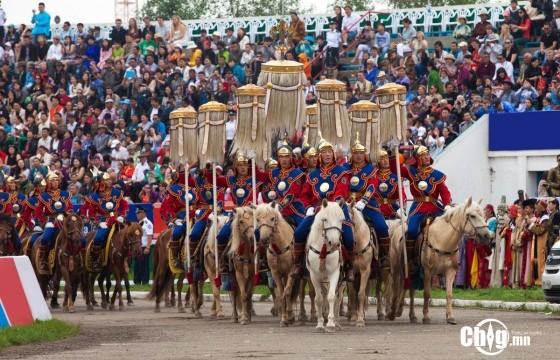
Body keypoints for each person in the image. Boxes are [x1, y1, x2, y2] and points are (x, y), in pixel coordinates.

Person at [293, 136, 354, 280]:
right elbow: (304, 194)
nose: (327, 154)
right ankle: (298, 265)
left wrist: (329, 208)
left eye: (329, 152)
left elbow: (340, 193)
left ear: (333, 154)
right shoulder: (312, 174)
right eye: (324, 152)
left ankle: (350, 266)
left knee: (349, 236)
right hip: (317, 209)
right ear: (319, 155)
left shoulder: (342, 172)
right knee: (299, 232)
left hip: (337, 209)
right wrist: (308, 207)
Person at [392, 145, 452, 274]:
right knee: (412, 230)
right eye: (422, 155)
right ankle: (410, 259)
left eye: (427, 154)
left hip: (435, 206)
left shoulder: (437, 175)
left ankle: (449, 257)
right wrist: (404, 154)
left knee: (449, 226)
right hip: (418, 207)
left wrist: (447, 204)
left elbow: (445, 192)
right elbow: (394, 167)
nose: (426, 157)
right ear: (417, 158)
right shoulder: (411, 172)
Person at [345, 136, 390, 267]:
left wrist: (363, 201)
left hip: (367, 204)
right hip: (348, 203)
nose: (358, 156)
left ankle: (384, 256)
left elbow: (372, 186)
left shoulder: (371, 169)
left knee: (382, 227)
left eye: (361, 153)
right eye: (356, 153)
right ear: (351, 155)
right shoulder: (345, 168)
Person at [79, 172, 129, 271]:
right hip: (103, 221)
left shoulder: (117, 192)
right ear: (101, 182)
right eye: (107, 180)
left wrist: (122, 216)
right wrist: (98, 222)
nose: (110, 181)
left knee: (130, 235)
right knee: (98, 238)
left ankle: (127, 259)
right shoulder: (94, 196)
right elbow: (92, 213)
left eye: (110, 179)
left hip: (117, 219)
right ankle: (96, 260)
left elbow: (125, 205)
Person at [159, 164, 198, 268]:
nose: (185, 172)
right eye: (182, 171)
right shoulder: (173, 189)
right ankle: (175, 257)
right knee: (177, 233)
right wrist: (174, 219)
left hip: (197, 214)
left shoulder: (196, 186)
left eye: (187, 170)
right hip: (181, 215)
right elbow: (168, 206)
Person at [32, 173, 73, 271]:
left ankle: (78, 259)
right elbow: (37, 213)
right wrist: (46, 221)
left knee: (77, 236)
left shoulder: (65, 194)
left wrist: (67, 215)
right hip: (51, 221)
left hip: (64, 220)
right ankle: (43, 259)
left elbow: (70, 208)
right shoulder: (44, 196)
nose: (55, 182)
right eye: (53, 181)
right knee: (45, 239)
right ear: (49, 183)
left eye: (57, 180)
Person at [265, 141, 306, 227]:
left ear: (291, 158)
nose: (284, 159)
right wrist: (252, 164)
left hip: (294, 210)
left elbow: (292, 193)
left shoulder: (297, 173)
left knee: (303, 230)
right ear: (278, 159)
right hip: (275, 209)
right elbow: (259, 176)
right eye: (281, 157)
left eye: (286, 156)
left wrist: (281, 205)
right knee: (258, 232)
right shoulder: (274, 172)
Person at [373, 150, 402, 219]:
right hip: (376, 207)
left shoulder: (396, 174)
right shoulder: (373, 175)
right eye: (382, 159)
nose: (385, 161)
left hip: (393, 208)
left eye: (387, 158)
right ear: (378, 162)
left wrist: (402, 207)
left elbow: (401, 193)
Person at [135, 206, 153, 285]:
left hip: (144, 247)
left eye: (138, 213)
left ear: (143, 213)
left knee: (144, 265)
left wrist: (147, 248)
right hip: (138, 247)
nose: (137, 214)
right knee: (137, 265)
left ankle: (145, 281)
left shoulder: (147, 223)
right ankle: (137, 281)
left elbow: (149, 236)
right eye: (137, 213)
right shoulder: (139, 223)